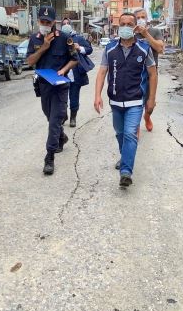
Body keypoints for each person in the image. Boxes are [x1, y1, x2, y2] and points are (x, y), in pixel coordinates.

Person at [94, 12, 158, 187]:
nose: (126, 27)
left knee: (130, 134)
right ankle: (125, 157)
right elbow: (101, 72)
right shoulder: (110, 49)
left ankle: (126, 172)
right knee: (120, 134)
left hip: (135, 101)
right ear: (118, 26)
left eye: (130, 24)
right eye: (123, 23)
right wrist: (97, 95)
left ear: (136, 27)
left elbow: (152, 74)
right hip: (115, 102)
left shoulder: (144, 49)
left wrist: (151, 99)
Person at [26, 6, 77, 175]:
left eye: (48, 22)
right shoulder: (35, 39)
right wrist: (44, 47)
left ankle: (49, 157)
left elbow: (74, 59)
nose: (45, 24)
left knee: (55, 120)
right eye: (42, 21)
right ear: (38, 21)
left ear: (54, 22)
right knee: (49, 116)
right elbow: (30, 62)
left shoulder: (65, 38)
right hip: (43, 86)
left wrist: (64, 70)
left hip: (61, 86)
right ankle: (61, 137)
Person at [134, 9, 164, 132]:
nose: (141, 19)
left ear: (147, 18)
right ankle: (136, 126)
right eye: (138, 17)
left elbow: (160, 48)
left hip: (151, 73)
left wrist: (146, 34)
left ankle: (147, 117)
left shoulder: (155, 31)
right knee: (136, 101)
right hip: (135, 72)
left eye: (143, 16)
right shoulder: (131, 33)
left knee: (150, 104)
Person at [60, 18, 93, 128]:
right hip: (61, 73)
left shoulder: (78, 38)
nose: (66, 25)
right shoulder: (58, 39)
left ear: (71, 25)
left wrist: (79, 48)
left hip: (75, 73)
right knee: (61, 98)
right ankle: (63, 115)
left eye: (68, 23)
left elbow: (89, 49)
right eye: (63, 24)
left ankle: (73, 117)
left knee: (74, 97)